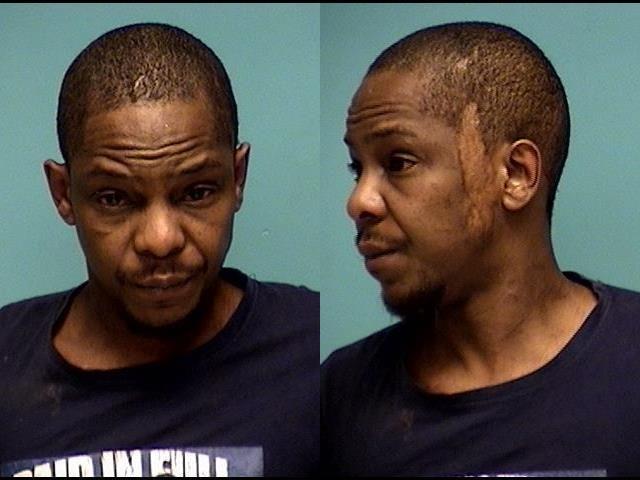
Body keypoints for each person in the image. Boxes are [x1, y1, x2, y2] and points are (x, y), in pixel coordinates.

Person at [321, 21, 640, 476]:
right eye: (358, 169)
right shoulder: (339, 396)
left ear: (516, 174)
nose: (359, 202)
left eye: (399, 162)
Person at [0, 23, 318, 477]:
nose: (161, 240)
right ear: (63, 193)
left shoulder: (314, 356)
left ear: (238, 178)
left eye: (196, 192)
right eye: (114, 198)